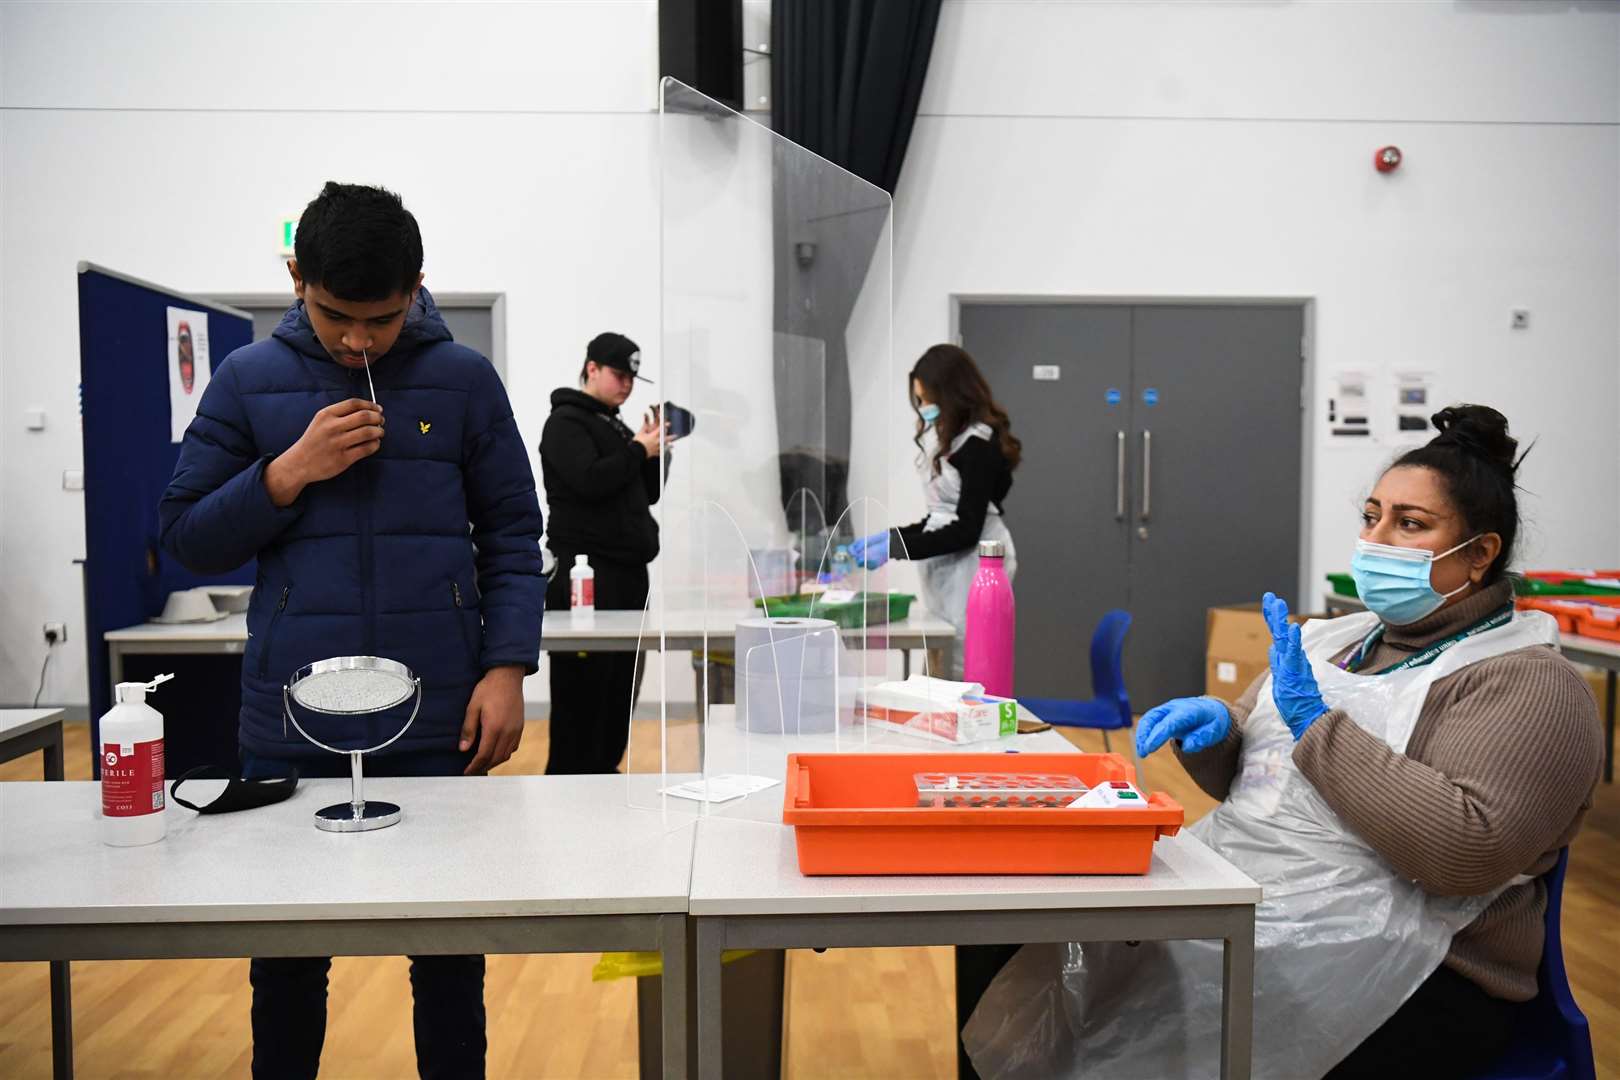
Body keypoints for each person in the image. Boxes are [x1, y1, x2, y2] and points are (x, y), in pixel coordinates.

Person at [963, 405, 1602, 1080]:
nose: (1376, 540)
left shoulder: (1529, 685)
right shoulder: (1337, 641)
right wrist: (1219, 736)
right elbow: (1261, 786)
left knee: (1117, 1026)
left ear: (1479, 555)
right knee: (1026, 959)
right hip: (1273, 911)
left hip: (1415, 972)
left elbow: (1461, 852)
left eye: (1410, 525)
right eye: (1371, 515)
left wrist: (1315, 725)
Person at [160, 181, 545, 1080]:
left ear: (418, 284)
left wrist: (507, 666)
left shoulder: (462, 380)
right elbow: (184, 539)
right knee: (288, 959)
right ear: (297, 278)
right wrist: (285, 474)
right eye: (339, 316)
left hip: (437, 706)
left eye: (383, 316)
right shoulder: (248, 381)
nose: (360, 340)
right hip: (289, 716)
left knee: (449, 957)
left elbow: (513, 532)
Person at [539, 331, 675, 773]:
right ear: (591, 369)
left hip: (627, 575)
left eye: (633, 378)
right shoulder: (565, 423)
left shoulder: (614, 426)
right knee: (584, 690)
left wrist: (655, 454)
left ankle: (604, 769)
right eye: (619, 375)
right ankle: (572, 774)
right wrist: (638, 448)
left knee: (620, 687)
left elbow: (644, 495)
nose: (627, 386)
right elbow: (590, 480)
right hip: (587, 581)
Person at [850, 344, 1020, 678]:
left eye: (927, 399)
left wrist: (897, 548)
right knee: (944, 659)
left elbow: (966, 529)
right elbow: (939, 518)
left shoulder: (978, 446)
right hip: (952, 569)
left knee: (965, 664)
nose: (924, 408)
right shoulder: (954, 442)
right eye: (920, 400)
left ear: (951, 393)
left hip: (975, 567)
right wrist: (891, 537)